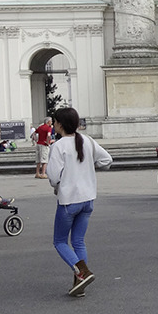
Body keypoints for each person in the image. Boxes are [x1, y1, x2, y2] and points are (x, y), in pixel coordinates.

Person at [46, 107, 113, 296]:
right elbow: (107, 160)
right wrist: (91, 168)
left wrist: (59, 183)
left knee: (59, 241)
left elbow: (52, 176)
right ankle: (79, 282)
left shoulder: (58, 146)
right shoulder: (88, 141)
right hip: (88, 198)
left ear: (59, 124)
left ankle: (82, 272)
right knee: (78, 241)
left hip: (69, 199)